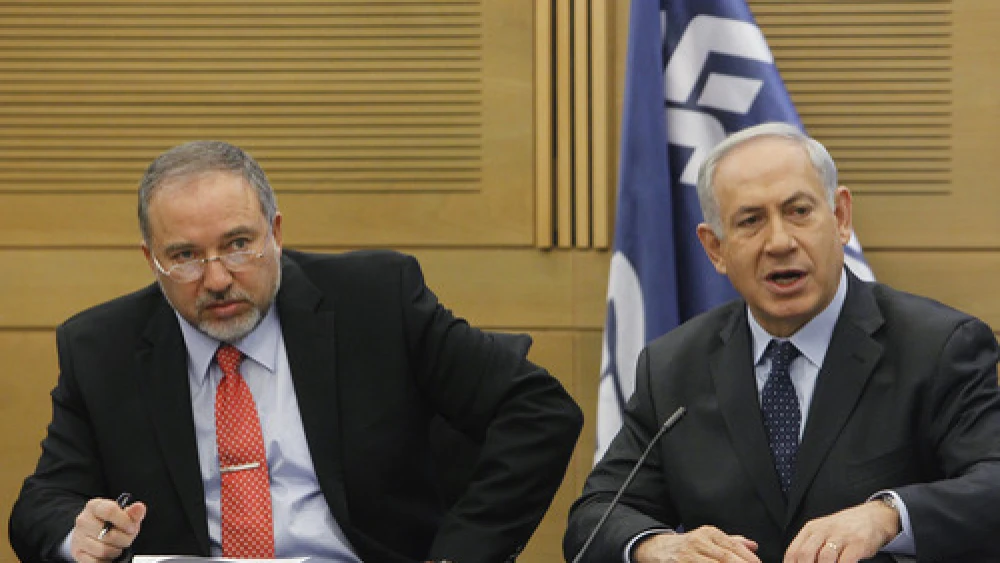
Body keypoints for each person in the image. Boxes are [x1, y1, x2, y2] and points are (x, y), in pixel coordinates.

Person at [9, 140, 584, 563]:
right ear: (151, 260)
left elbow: (537, 409)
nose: (215, 279)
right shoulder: (100, 347)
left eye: (238, 245)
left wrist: (459, 556)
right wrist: (75, 533)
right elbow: (43, 503)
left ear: (275, 233)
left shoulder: (375, 301)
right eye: (184, 256)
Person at [564, 122, 1000, 563]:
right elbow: (595, 517)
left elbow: (993, 482)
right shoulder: (674, 366)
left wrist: (886, 516)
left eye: (799, 211)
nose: (779, 242)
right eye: (751, 221)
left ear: (841, 218)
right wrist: (661, 547)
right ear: (715, 248)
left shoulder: (937, 347)